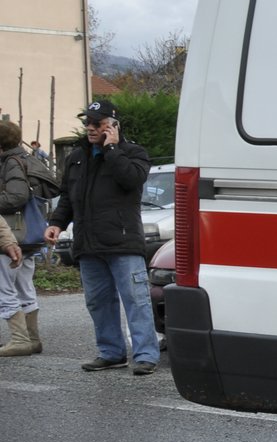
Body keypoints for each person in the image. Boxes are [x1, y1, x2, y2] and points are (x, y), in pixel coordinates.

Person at [43, 100, 160, 376]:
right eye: (88, 123)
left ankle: (145, 355)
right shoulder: (76, 158)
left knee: (135, 299)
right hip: (88, 243)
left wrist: (111, 149)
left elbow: (131, 180)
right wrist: (56, 223)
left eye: (97, 123)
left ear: (113, 125)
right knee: (98, 301)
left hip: (122, 241)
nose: (90, 127)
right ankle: (111, 352)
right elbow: (68, 198)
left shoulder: (133, 153)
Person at [0, 120, 45, 356]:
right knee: (25, 287)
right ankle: (32, 339)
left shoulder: (10, 163)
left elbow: (16, 197)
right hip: (28, 236)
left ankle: (19, 339)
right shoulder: (27, 158)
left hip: (12, 235)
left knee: (4, 288)